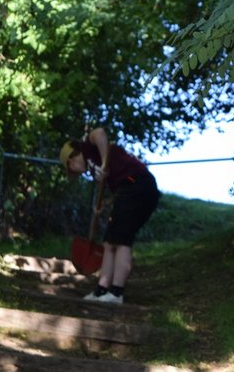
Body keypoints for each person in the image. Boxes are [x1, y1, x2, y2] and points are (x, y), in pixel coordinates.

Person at [59, 126, 160, 304]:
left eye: (71, 168)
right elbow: (113, 185)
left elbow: (99, 133)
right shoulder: (93, 167)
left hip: (137, 185)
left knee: (121, 240)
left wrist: (104, 162)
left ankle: (116, 293)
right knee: (109, 242)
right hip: (129, 190)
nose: (76, 171)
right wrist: (103, 204)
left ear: (72, 158)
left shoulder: (88, 147)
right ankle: (101, 290)